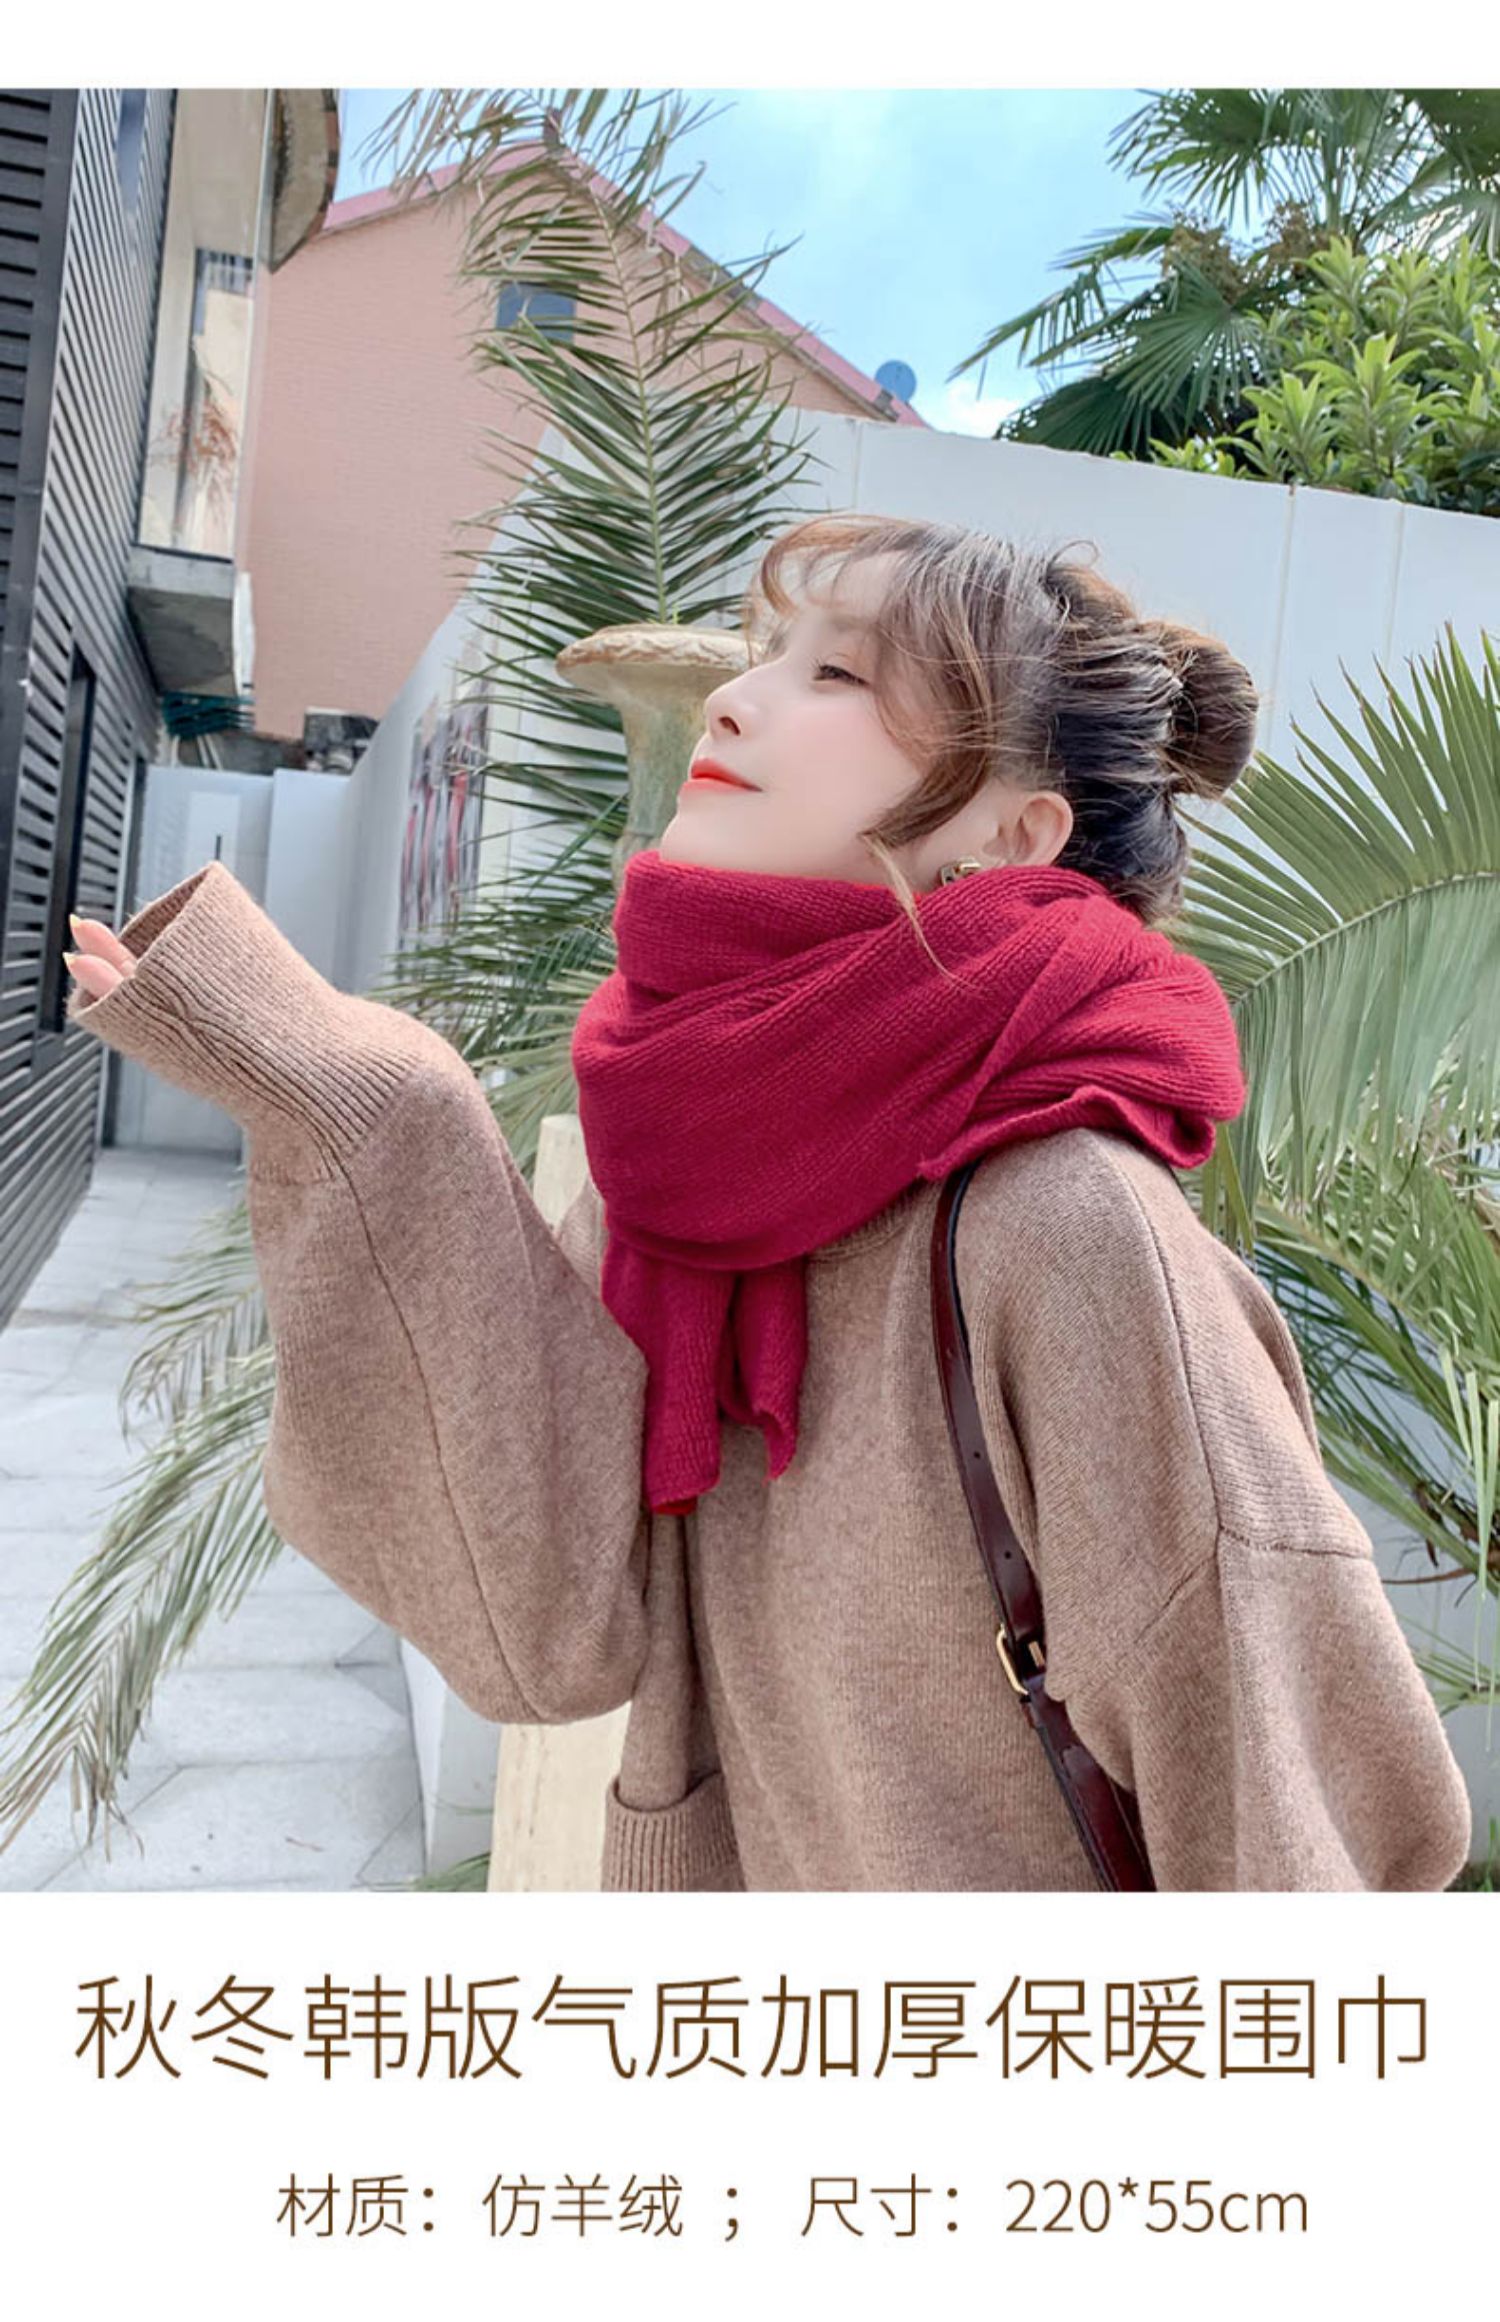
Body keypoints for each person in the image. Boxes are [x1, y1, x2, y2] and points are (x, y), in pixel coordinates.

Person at [63, 511, 1473, 1893]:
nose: (733, 701)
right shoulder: (687, 1163)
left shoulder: (1067, 1225)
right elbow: (546, 1628)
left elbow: (1301, 1841)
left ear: (1013, 832)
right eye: (766, 656)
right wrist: (366, 1104)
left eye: (835, 672)